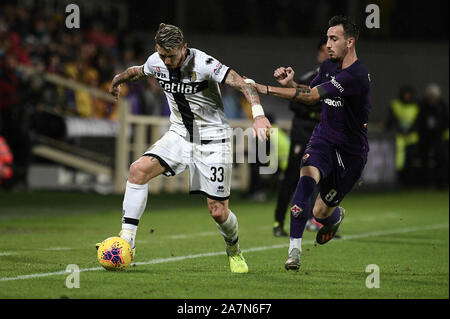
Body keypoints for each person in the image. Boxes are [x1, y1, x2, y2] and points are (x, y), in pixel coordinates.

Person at [103, 23, 272, 273]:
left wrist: (258, 115)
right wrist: (118, 79)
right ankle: (127, 241)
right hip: (180, 136)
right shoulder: (157, 61)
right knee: (138, 170)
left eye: (171, 55)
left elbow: (245, 84)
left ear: (184, 48)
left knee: (218, 212)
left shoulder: (204, 63)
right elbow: (138, 71)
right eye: (162, 55)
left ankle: (233, 249)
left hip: (214, 140)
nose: (167, 60)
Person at [250, 15, 370, 271]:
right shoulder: (327, 66)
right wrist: (291, 84)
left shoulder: (357, 75)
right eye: (327, 38)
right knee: (304, 183)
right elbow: (311, 92)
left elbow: (312, 96)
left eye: (333, 38)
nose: (327, 44)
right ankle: (294, 251)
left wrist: (266, 89)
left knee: (320, 212)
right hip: (323, 140)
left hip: (351, 154)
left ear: (349, 42)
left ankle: (335, 217)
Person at [272, 38, 329, 237]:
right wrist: (316, 111)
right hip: (302, 134)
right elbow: (294, 102)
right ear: (319, 54)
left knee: (323, 180)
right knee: (291, 178)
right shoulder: (310, 77)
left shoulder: (338, 80)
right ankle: (278, 222)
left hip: (323, 136)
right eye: (323, 50)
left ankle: (320, 222)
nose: (327, 53)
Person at [384, 86, 421, 186]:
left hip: (412, 138)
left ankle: (411, 183)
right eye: (405, 94)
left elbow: (418, 122)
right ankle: (400, 183)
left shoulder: (416, 106)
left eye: (409, 94)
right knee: (399, 162)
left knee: (412, 161)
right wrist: (400, 130)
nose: (407, 96)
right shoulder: (395, 105)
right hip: (399, 138)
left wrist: (410, 131)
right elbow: (391, 121)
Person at [417, 83, 449, 188]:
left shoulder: (442, 106)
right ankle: (426, 183)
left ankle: (441, 182)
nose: (432, 98)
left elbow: (445, 121)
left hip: (439, 137)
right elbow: (420, 122)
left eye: (434, 96)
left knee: (441, 158)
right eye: (430, 96)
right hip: (425, 137)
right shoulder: (423, 106)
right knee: (424, 159)